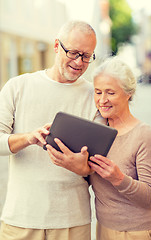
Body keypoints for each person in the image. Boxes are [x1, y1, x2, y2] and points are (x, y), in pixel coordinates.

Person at [0, 20, 98, 240]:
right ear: (56, 46)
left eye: (86, 56)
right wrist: (27, 138)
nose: (79, 62)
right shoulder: (17, 86)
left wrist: (83, 167)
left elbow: (97, 162)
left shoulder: (95, 96)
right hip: (21, 219)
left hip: (72, 221)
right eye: (73, 53)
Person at [46, 57, 151, 240]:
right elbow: (91, 177)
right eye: (98, 92)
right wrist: (77, 166)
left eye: (111, 93)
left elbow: (150, 197)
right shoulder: (96, 131)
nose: (102, 100)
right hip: (103, 228)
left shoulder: (144, 134)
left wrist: (119, 179)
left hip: (138, 231)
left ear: (128, 93)